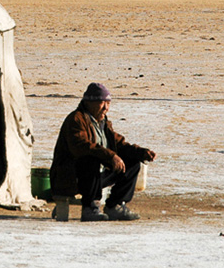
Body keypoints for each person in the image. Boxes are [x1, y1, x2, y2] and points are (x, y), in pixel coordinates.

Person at [49, 82, 156, 221]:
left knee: (133, 163)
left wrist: (141, 152)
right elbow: (81, 146)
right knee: (90, 159)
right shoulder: (76, 119)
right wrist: (110, 156)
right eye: (101, 103)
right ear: (88, 103)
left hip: (96, 177)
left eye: (108, 103)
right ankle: (90, 207)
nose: (106, 108)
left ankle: (115, 205)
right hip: (71, 177)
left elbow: (118, 143)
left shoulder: (102, 121)